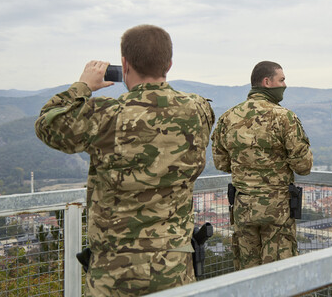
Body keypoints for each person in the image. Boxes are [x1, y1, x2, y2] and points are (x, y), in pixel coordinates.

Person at [34, 25, 215, 296]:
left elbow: (48, 124)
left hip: (113, 270)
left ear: (124, 64)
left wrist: (82, 86)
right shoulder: (199, 109)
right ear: (169, 64)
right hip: (174, 266)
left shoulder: (106, 115)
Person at [211, 61, 313, 270]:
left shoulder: (228, 117)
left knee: (247, 273)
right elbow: (303, 166)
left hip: (243, 207)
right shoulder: (285, 118)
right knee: (279, 273)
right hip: (277, 211)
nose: (285, 85)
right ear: (267, 82)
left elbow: (221, 163)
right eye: (282, 80)